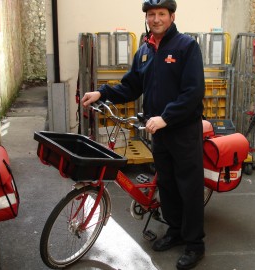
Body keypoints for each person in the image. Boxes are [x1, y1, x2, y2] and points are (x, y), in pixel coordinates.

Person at [82, 0, 205, 269]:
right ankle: (174, 231)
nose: (156, 19)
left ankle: (195, 243)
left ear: (172, 16)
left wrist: (167, 117)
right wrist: (102, 92)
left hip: (182, 130)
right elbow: (131, 85)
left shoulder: (186, 46)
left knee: (189, 187)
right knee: (168, 185)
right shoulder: (145, 51)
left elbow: (193, 92)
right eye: (152, 14)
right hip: (157, 131)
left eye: (162, 14)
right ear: (147, 18)